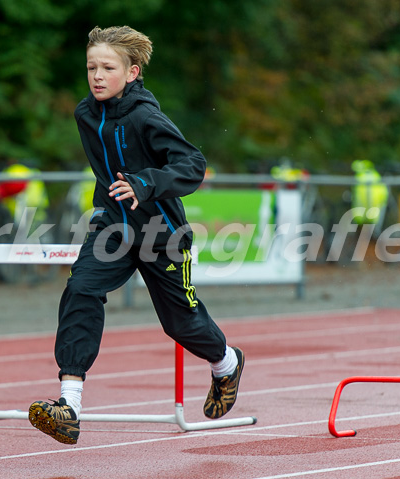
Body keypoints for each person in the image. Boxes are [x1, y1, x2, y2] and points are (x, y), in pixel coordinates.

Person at [28, 26, 244, 445]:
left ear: (132, 72)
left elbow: (193, 164)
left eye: (108, 67)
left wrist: (145, 184)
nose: (97, 75)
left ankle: (226, 362)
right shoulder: (85, 115)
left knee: (180, 324)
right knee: (81, 290)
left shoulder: (146, 115)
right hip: (112, 226)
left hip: (160, 232)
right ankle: (69, 405)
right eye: (91, 67)